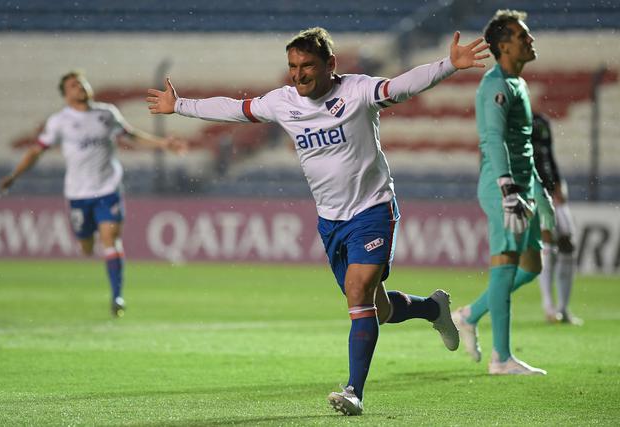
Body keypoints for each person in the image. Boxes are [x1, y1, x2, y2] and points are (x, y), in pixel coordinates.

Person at [147, 27, 489, 415]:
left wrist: (450, 65)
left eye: (307, 65)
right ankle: (433, 309)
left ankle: (353, 392)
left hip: (372, 209)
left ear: (331, 64)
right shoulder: (283, 102)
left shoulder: (357, 91)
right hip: (330, 220)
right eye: (292, 66)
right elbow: (236, 109)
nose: (298, 74)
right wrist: (180, 106)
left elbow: (403, 86)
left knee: (359, 294)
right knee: (377, 306)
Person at [0, 71, 184, 318]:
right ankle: (90, 245)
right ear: (65, 94)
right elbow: (36, 151)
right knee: (86, 245)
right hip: (78, 193)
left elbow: (130, 135)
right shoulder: (59, 121)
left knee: (111, 239)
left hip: (108, 189)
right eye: (74, 85)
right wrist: (14, 175)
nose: (80, 87)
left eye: (82, 82)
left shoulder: (106, 113)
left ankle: (117, 296)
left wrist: (163, 144)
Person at [451, 10, 555, 375]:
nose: (530, 40)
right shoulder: (494, 85)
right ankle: (502, 358)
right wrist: (509, 190)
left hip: (524, 188)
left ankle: (470, 314)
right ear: (503, 46)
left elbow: (523, 146)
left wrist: (540, 196)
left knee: (531, 267)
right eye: (522, 36)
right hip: (502, 189)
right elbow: (493, 139)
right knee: (505, 265)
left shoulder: (518, 85)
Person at [532, 112, 582, 325]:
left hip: (553, 191)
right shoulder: (511, 123)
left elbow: (548, 155)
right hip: (534, 192)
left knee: (568, 243)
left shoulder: (541, 122)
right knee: (547, 242)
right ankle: (549, 306)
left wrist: (559, 181)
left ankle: (563, 308)